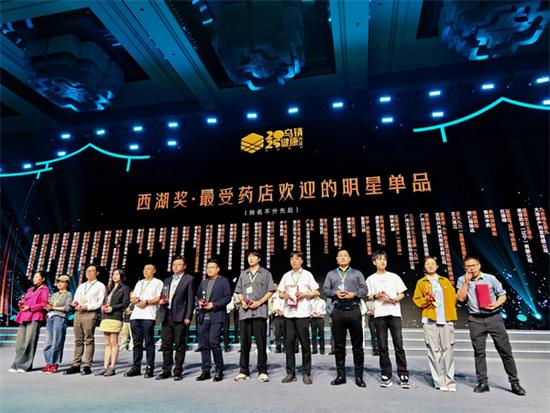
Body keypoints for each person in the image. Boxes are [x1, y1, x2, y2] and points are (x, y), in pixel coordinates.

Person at [456, 255, 526, 395]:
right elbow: (460, 298)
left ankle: (515, 382)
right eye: (468, 266)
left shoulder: (490, 278)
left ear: (479, 265)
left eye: (473, 265)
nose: (471, 268)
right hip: (475, 320)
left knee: (505, 351)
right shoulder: (462, 280)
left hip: (494, 318)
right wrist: (466, 283)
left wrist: (496, 304)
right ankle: (483, 383)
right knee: (479, 353)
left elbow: (502, 295)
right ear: (465, 268)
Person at [323, 248, 368, 387]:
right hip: (338, 311)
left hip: (354, 310)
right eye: (340, 256)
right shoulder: (331, 274)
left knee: (357, 346)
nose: (342, 258)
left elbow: (364, 289)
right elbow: (325, 290)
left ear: (349, 259)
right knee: (339, 345)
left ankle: (359, 376)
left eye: (345, 256)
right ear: (337, 259)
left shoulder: (357, 273)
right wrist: (335, 293)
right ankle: (340, 375)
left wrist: (354, 294)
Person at [366, 250, 410, 389]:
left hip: (394, 314)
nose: (382, 261)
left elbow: (402, 293)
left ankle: (403, 374)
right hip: (379, 315)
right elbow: (368, 296)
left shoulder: (394, 277)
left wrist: (394, 299)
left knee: (399, 346)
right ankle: (386, 374)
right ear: (374, 262)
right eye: (379, 259)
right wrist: (376, 296)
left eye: (384, 259)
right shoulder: (370, 279)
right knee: (383, 347)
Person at [412, 257, 457, 391]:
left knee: (448, 351)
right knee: (433, 351)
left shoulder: (445, 281)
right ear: (424, 267)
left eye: (433, 264)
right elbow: (417, 300)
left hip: (446, 320)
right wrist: (426, 300)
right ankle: (439, 381)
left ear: (437, 266)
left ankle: (450, 381)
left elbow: (453, 298)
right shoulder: (421, 282)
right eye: (427, 264)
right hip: (430, 320)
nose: (430, 266)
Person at [278, 251, 319, 385]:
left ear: (302, 261)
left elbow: (316, 291)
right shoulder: (286, 275)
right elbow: (279, 293)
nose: (294, 261)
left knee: (305, 345)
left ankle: (306, 373)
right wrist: (285, 295)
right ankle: (290, 373)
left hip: (302, 314)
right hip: (288, 314)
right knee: (289, 345)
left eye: (297, 259)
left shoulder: (307, 274)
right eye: (292, 259)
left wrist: (304, 294)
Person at [234, 250, 275, 382]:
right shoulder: (243, 273)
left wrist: (259, 302)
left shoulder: (266, 273)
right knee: (244, 344)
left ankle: (262, 371)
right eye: (249, 257)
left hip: (260, 311)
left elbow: (270, 291)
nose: (250, 259)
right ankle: (243, 371)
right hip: (245, 313)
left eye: (253, 256)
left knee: (261, 343)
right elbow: (238, 291)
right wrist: (242, 301)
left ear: (259, 259)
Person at [156, 256, 194, 381]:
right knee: (166, 345)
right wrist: (161, 301)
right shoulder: (167, 280)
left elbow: (190, 299)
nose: (176, 266)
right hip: (166, 315)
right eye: (174, 264)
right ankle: (166, 370)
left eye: (178, 264)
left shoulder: (189, 279)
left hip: (180, 316)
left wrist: (188, 316)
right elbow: (163, 295)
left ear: (184, 266)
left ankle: (178, 371)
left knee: (179, 345)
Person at [64, 264, 106, 375]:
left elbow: (100, 302)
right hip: (78, 313)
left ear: (97, 273)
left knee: (89, 339)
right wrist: (75, 303)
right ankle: (76, 365)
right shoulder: (82, 286)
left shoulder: (100, 286)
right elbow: (76, 298)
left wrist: (87, 307)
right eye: (88, 271)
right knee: (78, 340)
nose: (89, 273)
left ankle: (87, 365)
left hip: (90, 313)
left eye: (92, 270)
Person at [195, 259, 232, 382]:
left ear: (218, 269)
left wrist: (214, 305)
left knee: (214, 342)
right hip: (203, 317)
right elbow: (198, 297)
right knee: (204, 345)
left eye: (212, 267)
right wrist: (200, 302)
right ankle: (205, 370)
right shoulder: (203, 282)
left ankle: (219, 369)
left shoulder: (223, 281)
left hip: (216, 316)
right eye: (208, 267)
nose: (209, 270)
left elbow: (228, 297)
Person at [124, 263, 163, 378]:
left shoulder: (158, 282)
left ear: (154, 271)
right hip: (135, 315)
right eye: (144, 269)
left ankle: (150, 367)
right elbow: (133, 297)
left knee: (149, 342)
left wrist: (146, 302)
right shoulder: (139, 283)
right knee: (136, 343)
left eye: (149, 269)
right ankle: (136, 367)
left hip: (148, 316)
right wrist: (134, 299)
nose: (146, 271)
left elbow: (159, 297)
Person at [9, 271, 49, 373]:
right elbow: (25, 302)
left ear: (43, 279)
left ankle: (25, 365)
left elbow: (44, 304)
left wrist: (30, 308)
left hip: (35, 316)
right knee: (20, 342)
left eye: (37, 277)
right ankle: (16, 364)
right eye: (34, 277)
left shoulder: (44, 289)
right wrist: (21, 304)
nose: (34, 278)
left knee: (29, 342)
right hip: (24, 315)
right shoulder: (30, 290)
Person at [96, 268, 130, 376]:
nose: (114, 276)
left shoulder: (125, 288)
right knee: (107, 343)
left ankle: (112, 367)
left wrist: (112, 308)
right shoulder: (109, 288)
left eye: (117, 274)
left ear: (122, 276)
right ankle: (105, 367)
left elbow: (125, 303)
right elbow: (106, 301)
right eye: (113, 274)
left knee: (113, 342)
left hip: (115, 317)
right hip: (106, 317)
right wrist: (103, 306)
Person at [42, 275, 72, 374]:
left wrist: (53, 308)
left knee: (57, 341)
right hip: (50, 318)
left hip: (60, 318)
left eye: (62, 282)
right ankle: (48, 363)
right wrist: (47, 307)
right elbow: (49, 305)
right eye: (58, 281)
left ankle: (54, 363)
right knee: (48, 342)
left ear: (67, 284)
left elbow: (67, 308)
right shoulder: (54, 295)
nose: (59, 283)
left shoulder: (68, 294)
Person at [269, 283, 285, 353]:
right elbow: (273, 306)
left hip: (284, 316)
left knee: (285, 333)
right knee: (277, 333)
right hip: (277, 317)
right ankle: (278, 348)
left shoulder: (285, 296)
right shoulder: (275, 296)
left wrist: (283, 312)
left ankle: (285, 348)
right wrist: (276, 310)